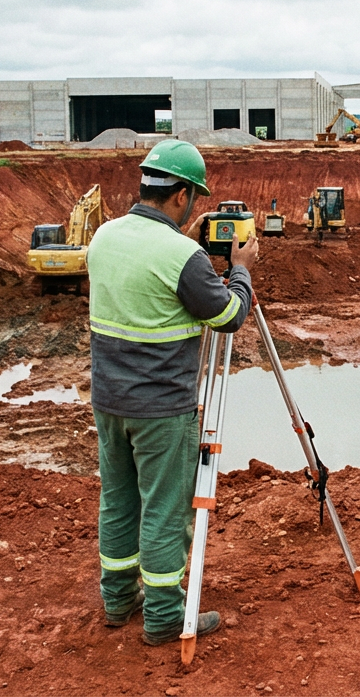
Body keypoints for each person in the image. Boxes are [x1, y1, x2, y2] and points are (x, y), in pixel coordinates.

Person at [86, 139, 258, 646]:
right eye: (194, 198)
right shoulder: (182, 255)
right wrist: (242, 269)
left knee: (118, 500)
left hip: (109, 400)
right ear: (181, 194)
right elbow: (228, 316)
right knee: (164, 509)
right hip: (161, 407)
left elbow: (144, 278)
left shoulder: (103, 238)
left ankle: (118, 601)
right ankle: (163, 616)